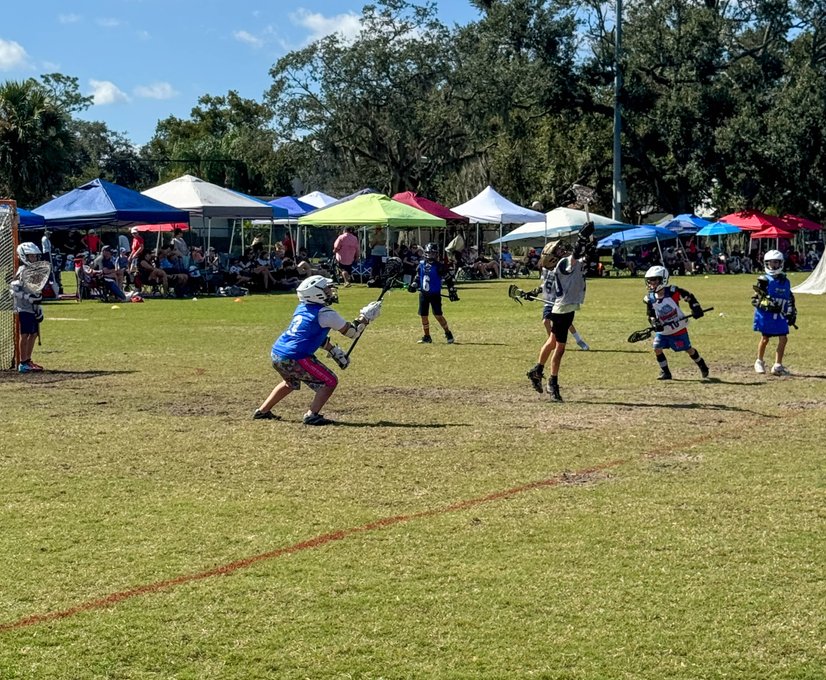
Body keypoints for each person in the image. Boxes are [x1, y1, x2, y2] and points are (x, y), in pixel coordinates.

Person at [254, 275, 382, 425]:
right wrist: (365, 318)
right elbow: (352, 333)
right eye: (326, 289)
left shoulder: (302, 307)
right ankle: (312, 415)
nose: (330, 292)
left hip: (277, 352)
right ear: (316, 293)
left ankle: (262, 411)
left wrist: (333, 351)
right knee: (330, 381)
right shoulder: (326, 313)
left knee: (290, 382)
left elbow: (313, 335)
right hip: (296, 356)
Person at [524, 225, 595, 402]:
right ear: (554, 257)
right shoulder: (563, 264)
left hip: (566, 308)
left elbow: (583, 258)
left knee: (554, 342)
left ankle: (537, 371)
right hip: (562, 310)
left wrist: (591, 244)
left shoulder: (563, 263)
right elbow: (577, 255)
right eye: (559, 250)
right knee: (559, 348)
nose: (562, 250)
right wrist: (582, 238)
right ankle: (552, 382)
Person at [642, 265, 709, 381]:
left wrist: (695, 307)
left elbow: (689, 296)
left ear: (662, 279)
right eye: (650, 281)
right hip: (663, 329)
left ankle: (701, 363)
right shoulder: (650, 298)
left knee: (688, 349)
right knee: (657, 348)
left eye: (654, 280)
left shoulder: (673, 292)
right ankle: (666, 371)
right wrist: (654, 323)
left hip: (678, 328)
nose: (651, 283)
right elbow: (651, 314)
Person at [751, 250, 796, 376]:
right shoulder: (764, 280)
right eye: (771, 263)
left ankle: (777, 365)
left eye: (776, 262)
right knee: (765, 339)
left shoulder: (785, 281)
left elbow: (789, 297)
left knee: (783, 338)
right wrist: (768, 306)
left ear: (781, 263)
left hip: (780, 315)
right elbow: (755, 300)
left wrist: (792, 311)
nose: (774, 265)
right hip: (767, 316)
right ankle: (759, 361)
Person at [408, 242, 456, 344]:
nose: (431, 255)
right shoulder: (421, 264)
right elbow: (418, 277)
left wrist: (452, 291)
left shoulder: (439, 266)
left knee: (438, 315)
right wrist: (413, 285)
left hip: (435, 295)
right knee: (423, 315)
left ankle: (448, 333)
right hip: (423, 294)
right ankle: (427, 336)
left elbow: (448, 279)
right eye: (429, 253)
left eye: (433, 253)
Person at [10, 243, 46, 373]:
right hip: (23, 308)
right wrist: (28, 297)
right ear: (24, 257)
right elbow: (14, 290)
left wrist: (38, 306)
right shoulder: (22, 271)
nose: (34, 259)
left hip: (32, 308)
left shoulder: (34, 271)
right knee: (24, 334)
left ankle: (28, 359)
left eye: (35, 257)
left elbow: (36, 290)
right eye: (31, 257)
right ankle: (23, 362)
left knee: (34, 334)